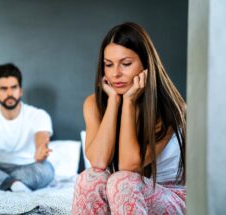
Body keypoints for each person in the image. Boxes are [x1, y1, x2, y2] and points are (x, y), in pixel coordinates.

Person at [71, 22, 186, 214]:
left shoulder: (171, 108)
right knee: (88, 178)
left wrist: (130, 102)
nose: (116, 73)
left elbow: (127, 165)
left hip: (173, 195)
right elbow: (98, 162)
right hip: (125, 195)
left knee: (121, 180)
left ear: (145, 64)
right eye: (109, 65)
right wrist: (115, 101)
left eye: (126, 64)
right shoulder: (94, 103)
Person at [0, 63, 54, 192]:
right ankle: (14, 184)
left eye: (14, 87)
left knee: (46, 171)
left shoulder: (39, 115)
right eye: (3, 89)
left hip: (26, 167)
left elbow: (41, 138)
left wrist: (40, 149)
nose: (10, 93)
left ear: (20, 90)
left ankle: (3, 182)